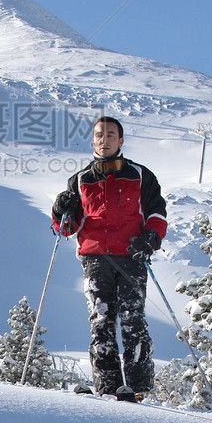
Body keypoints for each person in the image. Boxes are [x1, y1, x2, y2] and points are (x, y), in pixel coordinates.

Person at [52, 115, 167, 397]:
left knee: (133, 322)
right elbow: (66, 227)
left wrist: (151, 238)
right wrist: (59, 209)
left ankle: (138, 389)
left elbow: (157, 213)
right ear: (93, 141)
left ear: (121, 140)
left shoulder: (141, 175)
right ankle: (108, 389)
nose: (105, 140)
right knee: (101, 322)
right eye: (100, 135)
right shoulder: (80, 180)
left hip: (132, 256)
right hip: (95, 258)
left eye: (111, 135)